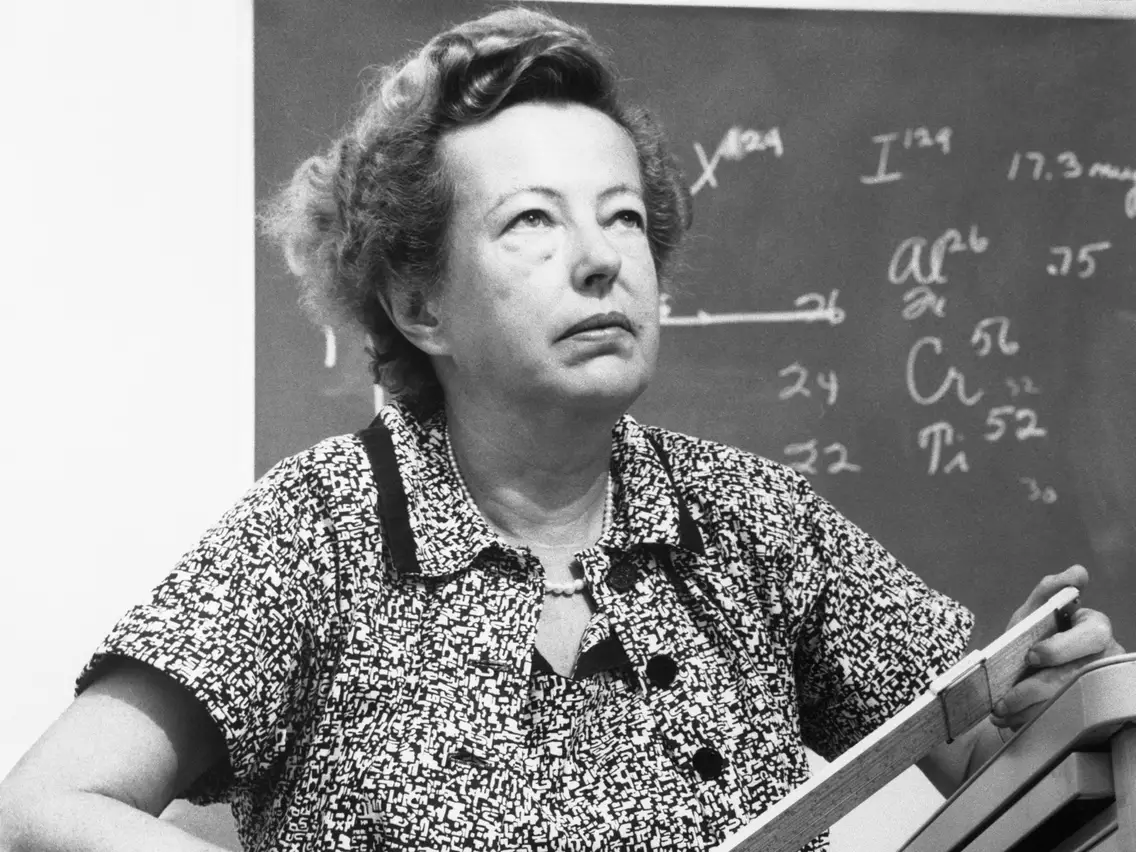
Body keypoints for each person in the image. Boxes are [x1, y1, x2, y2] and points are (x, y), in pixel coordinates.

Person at [0, 7, 1122, 852]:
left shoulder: (755, 523)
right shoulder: (318, 532)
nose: (599, 259)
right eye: (532, 221)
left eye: (623, 218)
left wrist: (1044, 707)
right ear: (419, 304)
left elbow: (992, 763)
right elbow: (45, 808)